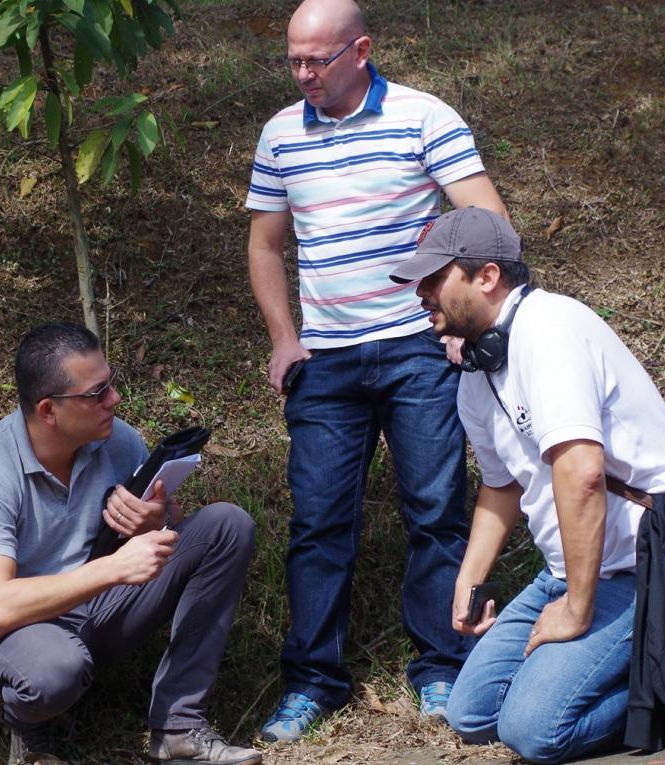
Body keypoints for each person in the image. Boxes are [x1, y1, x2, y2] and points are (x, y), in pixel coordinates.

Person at [243, 0, 511, 740]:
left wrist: (464, 322)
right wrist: (282, 337)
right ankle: (312, 683)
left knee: (436, 511)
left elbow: (487, 224)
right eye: (293, 60)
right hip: (325, 359)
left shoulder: (425, 119)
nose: (303, 75)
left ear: (360, 50)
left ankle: (442, 667)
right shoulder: (280, 134)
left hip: (418, 349)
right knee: (320, 522)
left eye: (317, 60)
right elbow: (267, 246)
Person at [388, 207, 665, 763]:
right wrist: (469, 580)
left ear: (486, 277)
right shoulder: (480, 372)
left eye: (435, 279)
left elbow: (582, 472)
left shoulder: (549, 330)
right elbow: (501, 486)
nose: (421, 294)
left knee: (535, 732)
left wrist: (577, 610)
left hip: (649, 566)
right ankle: (625, 660)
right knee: (471, 714)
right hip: (569, 570)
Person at [0, 323, 261, 765]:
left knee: (226, 526)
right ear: (48, 410)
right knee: (56, 669)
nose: (114, 400)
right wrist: (113, 569)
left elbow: (162, 523)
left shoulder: (116, 439)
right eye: (96, 394)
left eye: (110, 384)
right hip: (20, 632)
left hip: (99, 605)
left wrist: (157, 519)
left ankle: (179, 725)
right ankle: (31, 730)